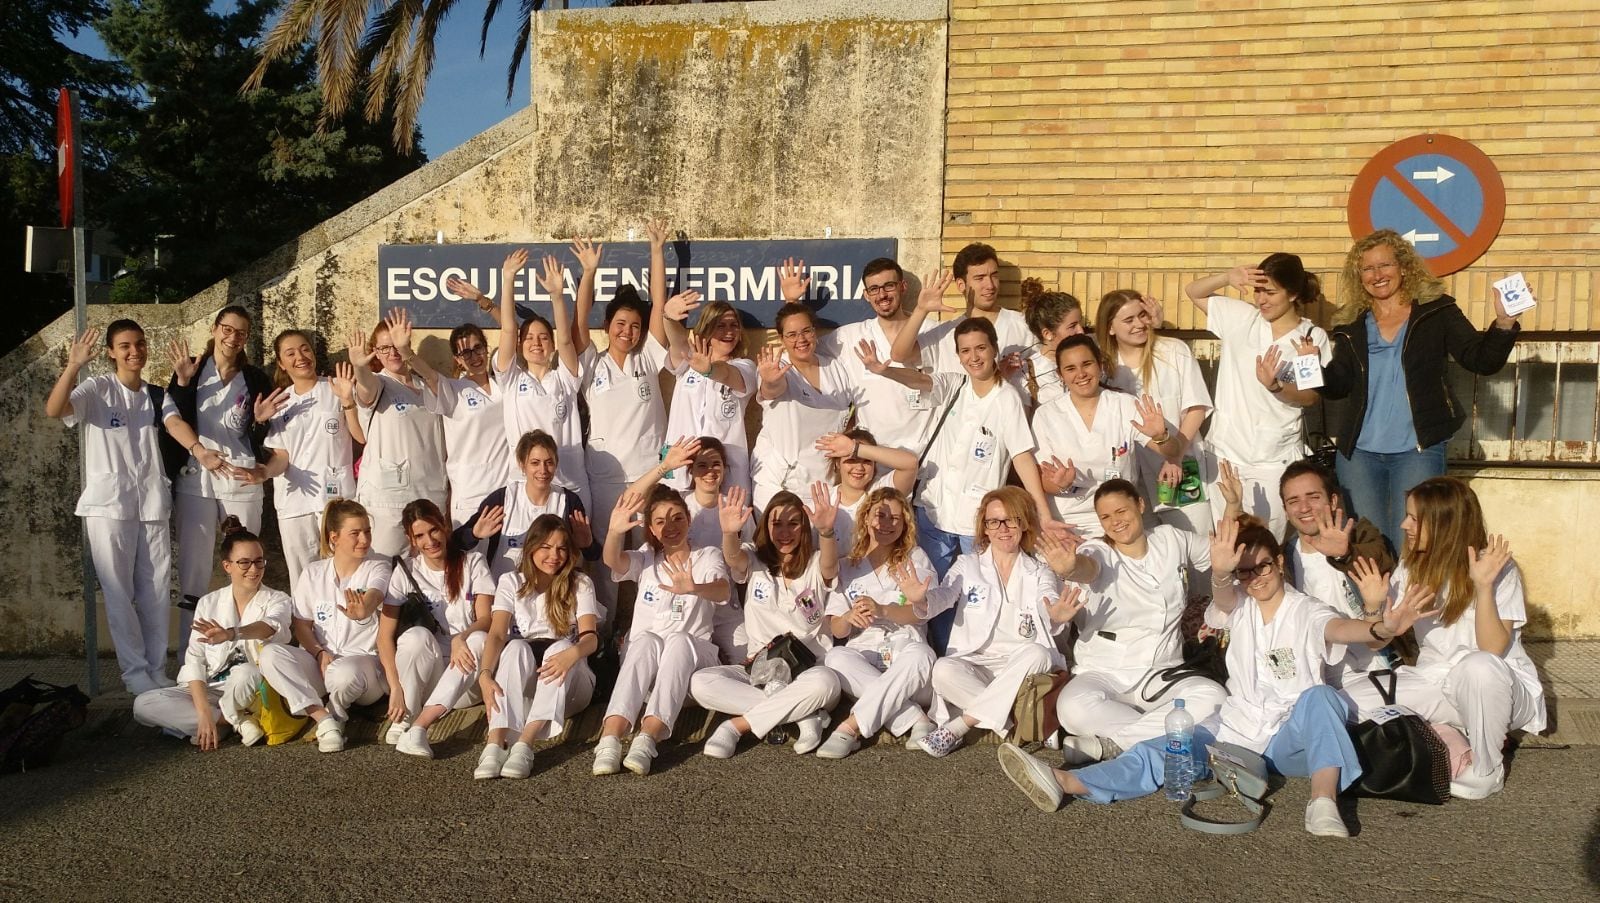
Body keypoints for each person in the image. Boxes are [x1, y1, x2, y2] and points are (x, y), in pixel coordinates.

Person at [998, 516, 1436, 838]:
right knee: (1170, 746)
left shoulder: (1306, 610)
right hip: (1237, 729)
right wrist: (1223, 571)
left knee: (1321, 696)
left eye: (1261, 566)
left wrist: (1383, 625)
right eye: (1245, 571)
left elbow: (1345, 629)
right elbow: (1223, 596)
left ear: (1279, 563)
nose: (1254, 578)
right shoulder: (1237, 605)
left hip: (1289, 738)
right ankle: (1067, 782)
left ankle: (1323, 802)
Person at [1315, 230, 1523, 550]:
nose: (1377, 275)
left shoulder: (1436, 311)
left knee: (1417, 543)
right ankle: (1375, 603)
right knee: (1366, 544)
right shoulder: (1350, 322)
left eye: (1384, 265)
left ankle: (1416, 603)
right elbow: (1339, 385)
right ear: (1358, 276)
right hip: (1359, 454)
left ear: (1404, 266)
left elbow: (1480, 360)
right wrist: (1310, 369)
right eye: (1367, 269)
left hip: (1418, 449)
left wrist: (1504, 324)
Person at [1341, 476, 1546, 799]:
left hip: (1498, 690)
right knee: (1346, 703)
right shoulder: (1412, 568)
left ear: (1444, 524)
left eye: (1414, 518)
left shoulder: (1497, 569)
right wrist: (1375, 611)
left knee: (1477, 667)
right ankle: (1450, 733)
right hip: (1435, 682)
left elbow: (1493, 649)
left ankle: (1488, 768)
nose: (1403, 523)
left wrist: (1483, 587)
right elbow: (1376, 643)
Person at [857, 320, 1056, 579]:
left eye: (981, 348)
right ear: (959, 356)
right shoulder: (956, 385)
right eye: (965, 351)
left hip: (974, 524)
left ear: (994, 348)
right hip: (933, 514)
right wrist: (886, 371)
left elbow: (1021, 456)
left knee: (973, 598)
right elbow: (921, 381)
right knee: (930, 590)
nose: (974, 357)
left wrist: (1045, 514)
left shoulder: (1007, 399)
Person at [1049, 480, 1227, 764]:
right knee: (1071, 707)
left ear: (1140, 505)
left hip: (1161, 672)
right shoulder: (1098, 551)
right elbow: (1086, 569)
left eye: (1121, 511)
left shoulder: (1171, 538)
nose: (1115, 522)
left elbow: (1222, 553)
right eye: (1105, 517)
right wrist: (1069, 568)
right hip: (1104, 672)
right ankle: (1164, 735)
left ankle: (1112, 745)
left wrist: (1233, 506)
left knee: (1214, 695)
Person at [45, 321, 174, 694]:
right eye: (124, 346)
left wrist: (200, 450)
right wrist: (72, 366)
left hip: (151, 502)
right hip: (108, 506)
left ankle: (156, 668)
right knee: (118, 590)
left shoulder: (155, 395)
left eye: (139, 344)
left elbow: (175, 423)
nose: (134, 352)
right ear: (111, 352)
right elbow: (55, 410)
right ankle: (134, 672)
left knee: (156, 588)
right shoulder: (98, 388)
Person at [918, 488, 1084, 757]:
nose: (1003, 528)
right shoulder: (967, 564)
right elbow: (943, 597)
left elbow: (1049, 602)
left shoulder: (1039, 570)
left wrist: (1057, 615)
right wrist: (922, 600)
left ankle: (961, 725)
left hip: (1023, 666)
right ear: (984, 528)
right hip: (977, 663)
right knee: (943, 669)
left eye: (1011, 520)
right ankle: (1017, 723)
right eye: (994, 521)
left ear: (1024, 523)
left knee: (1038, 652)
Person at [1184, 254, 1331, 537]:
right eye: (1258, 291)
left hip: (1273, 458)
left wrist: (1275, 386)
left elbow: (1310, 397)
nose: (1262, 299)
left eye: (1271, 292)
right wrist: (1228, 277)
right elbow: (1193, 291)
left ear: (1294, 293)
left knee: (1264, 542)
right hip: (1225, 454)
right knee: (1224, 540)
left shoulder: (1310, 337)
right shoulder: (1241, 318)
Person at [690, 487, 842, 758]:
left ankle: (735, 727)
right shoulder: (755, 558)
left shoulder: (817, 561)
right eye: (777, 524)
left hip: (807, 671)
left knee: (827, 682)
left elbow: (830, 568)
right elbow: (734, 558)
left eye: (793, 523)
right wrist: (728, 533)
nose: (785, 532)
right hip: (758, 669)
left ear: (805, 527)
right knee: (701, 682)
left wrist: (827, 532)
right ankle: (804, 716)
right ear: (765, 527)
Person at [162, 305, 280, 655]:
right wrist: (182, 382)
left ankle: (245, 651)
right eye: (227, 329)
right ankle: (192, 654)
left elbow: (263, 431)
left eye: (240, 332)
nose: (232, 337)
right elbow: (173, 420)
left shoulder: (256, 377)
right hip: (195, 477)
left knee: (246, 564)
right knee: (194, 572)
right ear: (215, 329)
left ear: (246, 338)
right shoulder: (194, 369)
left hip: (240, 477)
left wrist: (260, 422)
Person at [1219, 459, 1400, 687]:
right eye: (1293, 501)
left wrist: (1344, 555)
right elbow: (1230, 551)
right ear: (1285, 511)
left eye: (1313, 497)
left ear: (1333, 501)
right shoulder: (1282, 558)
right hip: (1312, 676)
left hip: (1375, 666)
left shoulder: (1362, 536)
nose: (1304, 508)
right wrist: (1233, 507)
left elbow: (1378, 560)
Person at [594, 486, 731, 776]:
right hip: (648, 672)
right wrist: (615, 532)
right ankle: (610, 738)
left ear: (689, 519)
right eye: (660, 521)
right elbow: (613, 561)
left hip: (693, 666)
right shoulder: (646, 559)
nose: (669, 527)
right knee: (644, 641)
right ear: (652, 529)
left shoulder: (707, 556)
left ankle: (648, 737)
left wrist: (694, 587)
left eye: (677, 518)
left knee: (679, 640)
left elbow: (722, 590)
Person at [131, 518, 291, 748]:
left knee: (245, 672)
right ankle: (228, 722)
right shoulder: (209, 602)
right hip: (213, 689)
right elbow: (195, 659)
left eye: (259, 562)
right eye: (244, 563)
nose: (254, 569)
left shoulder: (278, 599)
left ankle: (222, 723)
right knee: (143, 705)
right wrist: (205, 713)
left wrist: (232, 633)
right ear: (228, 566)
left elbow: (271, 626)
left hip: (251, 687)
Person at [451, 248, 590, 510]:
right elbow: (508, 328)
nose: (536, 343)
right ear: (519, 345)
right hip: (524, 488)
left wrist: (557, 297)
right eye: (529, 338)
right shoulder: (511, 378)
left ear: (551, 345)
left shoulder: (566, 377)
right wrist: (507, 278)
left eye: (543, 337)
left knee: (575, 549)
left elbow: (565, 339)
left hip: (569, 484)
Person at [471, 514, 601, 779]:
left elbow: (591, 638)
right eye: (546, 547)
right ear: (531, 547)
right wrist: (484, 675)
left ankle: (524, 745)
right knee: (515, 646)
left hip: (571, 685)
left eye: (562, 548)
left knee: (559, 647)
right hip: (529, 688)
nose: (554, 555)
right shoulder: (511, 581)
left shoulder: (580, 582)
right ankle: (494, 744)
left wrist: (571, 653)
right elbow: (496, 633)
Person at [257, 499, 392, 753]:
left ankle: (337, 713)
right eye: (355, 533)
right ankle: (323, 718)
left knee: (344, 673)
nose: (364, 539)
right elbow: (302, 625)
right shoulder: (313, 572)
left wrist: (364, 608)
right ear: (334, 537)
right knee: (271, 655)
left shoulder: (379, 566)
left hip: (363, 667)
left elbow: (375, 593)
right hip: (323, 664)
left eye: (367, 531)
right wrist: (318, 652)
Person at [817, 487, 941, 759]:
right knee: (835, 656)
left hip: (908, 666)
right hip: (864, 663)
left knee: (922, 655)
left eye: (896, 518)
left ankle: (850, 728)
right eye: (880, 515)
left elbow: (922, 612)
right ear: (866, 518)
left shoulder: (915, 558)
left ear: (906, 524)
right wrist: (848, 618)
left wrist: (885, 610)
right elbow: (836, 628)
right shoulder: (847, 565)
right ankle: (915, 719)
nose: (887, 524)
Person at [571, 237, 673, 557]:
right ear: (607, 325)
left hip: (648, 474)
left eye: (635, 326)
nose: (627, 332)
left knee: (649, 557)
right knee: (607, 560)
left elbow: (658, 304)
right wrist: (589, 272)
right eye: (620, 324)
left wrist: (657, 251)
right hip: (604, 479)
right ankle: (604, 611)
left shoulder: (647, 358)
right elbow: (578, 321)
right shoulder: (591, 363)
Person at [1031, 335, 1184, 537]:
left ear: (1100, 365)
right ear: (1060, 374)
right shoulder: (1046, 415)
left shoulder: (1125, 405)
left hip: (1122, 519)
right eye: (1070, 368)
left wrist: (1161, 436)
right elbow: (1043, 481)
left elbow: (1172, 450)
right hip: (1072, 524)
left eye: (1087, 364)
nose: (1081, 374)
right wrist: (1062, 483)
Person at [380, 500, 495, 757]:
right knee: (415, 636)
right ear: (411, 539)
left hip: (467, 678)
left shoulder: (472, 562)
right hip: (429, 676)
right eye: (419, 535)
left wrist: (460, 638)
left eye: (433, 530)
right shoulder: (405, 572)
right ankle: (406, 716)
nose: (429, 540)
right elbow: (384, 637)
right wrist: (395, 687)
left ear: (444, 527)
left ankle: (421, 726)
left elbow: (486, 618)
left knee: (478, 639)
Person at [1096, 289, 1213, 536]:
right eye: (1128, 320)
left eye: (1142, 315)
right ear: (1110, 328)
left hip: (1179, 471)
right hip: (1133, 482)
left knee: (1198, 554)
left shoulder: (1173, 350)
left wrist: (1175, 455)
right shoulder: (1104, 368)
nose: (1139, 324)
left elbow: (1196, 408)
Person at [625, 436, 747, 662]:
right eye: (701, 465)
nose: (710, 471)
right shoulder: (676, 504)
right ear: (690, 470)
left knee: (748, 657)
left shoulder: (735, 507)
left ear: (724, 468)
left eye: (716, 464)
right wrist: (665, 467)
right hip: (682, 605)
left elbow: (746, 560)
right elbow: (629, 500)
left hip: (722, 603)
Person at [656, 222, 757, 494]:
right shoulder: (688, 361)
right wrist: (667, 316)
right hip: (680, 471)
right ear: (707, 329)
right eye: (720, 326)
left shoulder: (745, 367)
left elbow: (726, 375)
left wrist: (710, 369)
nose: (728, 332)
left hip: (724, 476)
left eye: (733, 325)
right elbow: (676, 340)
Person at [260, 329, 364, 589]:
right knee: (302, 580)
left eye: (305, 349)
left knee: (343, 574)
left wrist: (347, 399)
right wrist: (262, 473)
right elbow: (281, 456)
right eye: (290, 353)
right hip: (293, 501)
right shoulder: (280, 402)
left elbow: (359, 436)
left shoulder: (335, 387)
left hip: (334, 497)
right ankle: (305, 629)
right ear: (281, 363)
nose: (300, 357)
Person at [346, 313, 447, 557]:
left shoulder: (426, 387)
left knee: (427, 576)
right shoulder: (379, 384)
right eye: (384, 348)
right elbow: (366, 388)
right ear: (375, 353)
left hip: (430, 496)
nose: (393, 353)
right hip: (388, 503)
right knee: (384, 571)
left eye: (397, 345)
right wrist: (359, 367)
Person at [816, 257, 939, 455]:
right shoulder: (850, 336)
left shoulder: (933, 332)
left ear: (902, 287)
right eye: (874, 289)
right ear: (866, 295)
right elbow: (802, 348)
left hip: (927, 456)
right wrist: (792, 302)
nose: (882, 295)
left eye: (888, 286)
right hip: (872, 458)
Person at [402, 316, 512, 528]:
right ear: (457, 359)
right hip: (470, 493)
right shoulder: (453, 390)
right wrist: (406, 352)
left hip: (505, 489)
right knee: (470, 557)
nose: (474, 357)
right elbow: (430, 377)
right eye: (465, 352)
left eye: (478, 348)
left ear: (486, 349)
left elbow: (510, 330)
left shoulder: (503, 385)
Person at [750, 300, 860, 510]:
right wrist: (770, 381)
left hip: (822, 484)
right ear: (781, 339)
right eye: (791, 335)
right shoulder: (777, 367)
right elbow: (771, 390)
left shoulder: (836, 368)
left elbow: (849, 414)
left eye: (806, 331)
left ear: (815, 332)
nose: (800, 339)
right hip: (778, 484)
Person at [888, 243, 1033, 399]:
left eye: (994, 276)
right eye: (980, 278)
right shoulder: (945, 333)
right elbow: (899, 355)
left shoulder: (1024, 325)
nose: (990, 285)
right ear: (961, 285)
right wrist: (921, 309)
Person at [455, 430, 591, 585]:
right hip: (505, 595)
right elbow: (456, 542)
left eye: (549, 462)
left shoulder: (568, 501)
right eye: (535, 463)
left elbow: (593, 553)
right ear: (522, 464)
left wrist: (586, 545)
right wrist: (474, 534)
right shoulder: (502, 499)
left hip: (552, 595)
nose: (543, 470)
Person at [814, 427, 918, 551]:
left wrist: (855, 448)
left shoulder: (883, 491)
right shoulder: (823, 501)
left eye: (867, 461)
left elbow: (911, 463)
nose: (859, 468)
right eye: (851, 460)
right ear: (837, 463)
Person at [1018, 278, 1086, 408]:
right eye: (1072, 326)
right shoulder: (1026, 372)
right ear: (1048, 334)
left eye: (1080, 323)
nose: (1081, 331)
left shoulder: (1090, 361)